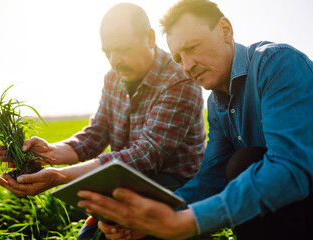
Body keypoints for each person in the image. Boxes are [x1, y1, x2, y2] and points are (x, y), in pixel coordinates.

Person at [77, 0, 313, 239]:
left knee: (244, 163)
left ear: (225, 30)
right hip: (289, 210)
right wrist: (148, 219)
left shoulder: (277, 64)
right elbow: (212, 175)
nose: (187, 66)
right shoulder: (217, 103)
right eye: (178, 58)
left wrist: (186, 221)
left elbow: (289, 168)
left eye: (193, 47)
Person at [0, 2, 206, 240]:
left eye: (123, 49)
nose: (115, 60)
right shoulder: (113, 78)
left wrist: (59, 176)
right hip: (124, 183)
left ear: (149, 38)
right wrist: (48, 153)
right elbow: (96, 134)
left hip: (176, 188)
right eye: (107, 52)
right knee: (90, 237)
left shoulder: (179, 80)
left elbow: (147, 154)